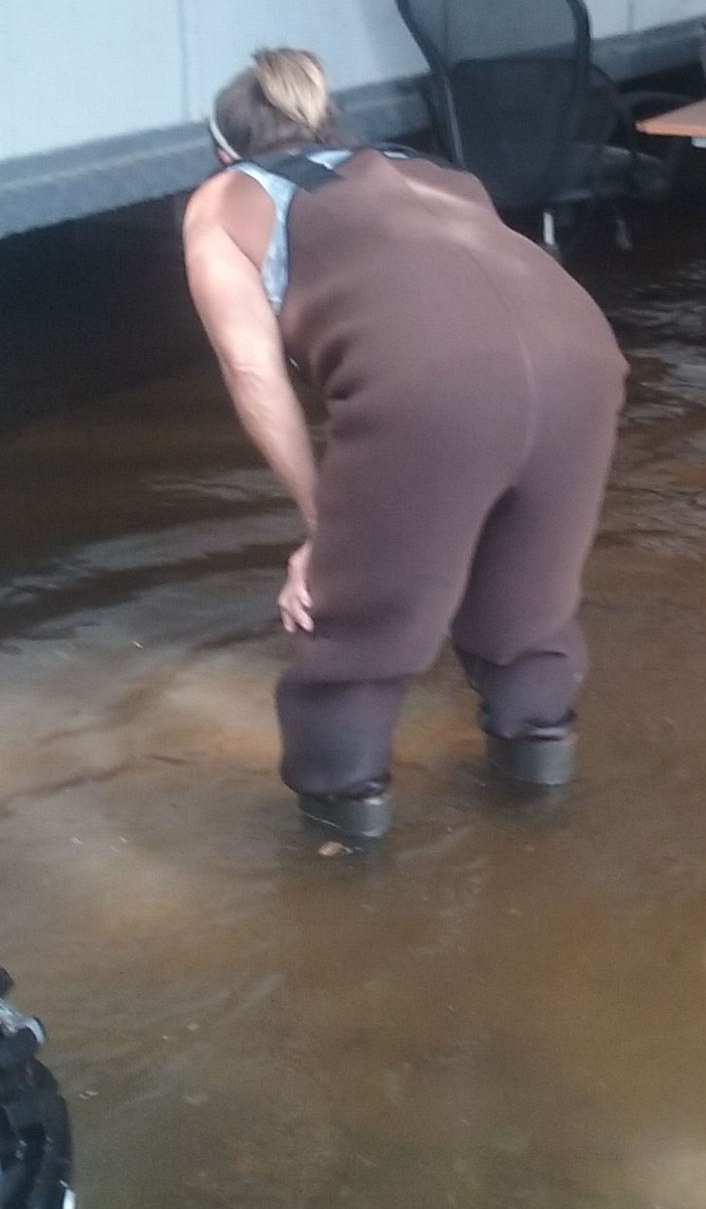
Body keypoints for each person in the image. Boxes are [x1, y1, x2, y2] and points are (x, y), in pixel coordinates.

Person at [182, 49, 626, 839]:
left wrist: (324, 533)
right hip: (585, 360)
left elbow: (255, 374)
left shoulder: (223, 199)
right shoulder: (431, 171)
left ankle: (344, 869)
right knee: (528, 615)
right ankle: (546, 829)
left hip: (435, 380)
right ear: (327, 122)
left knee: (357, 633)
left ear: (224, 151)